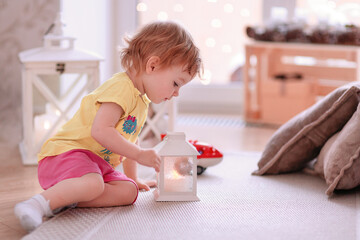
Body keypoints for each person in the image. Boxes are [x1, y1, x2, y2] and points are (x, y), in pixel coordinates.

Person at [14, 21, 202, 232]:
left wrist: (134, 178)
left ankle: (67, 197)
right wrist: (140, 155)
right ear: (152, 65)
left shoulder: (141, 100)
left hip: (94, 165)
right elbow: (100, 131)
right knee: (94, 184)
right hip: (65, 154)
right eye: (176, 83)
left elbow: (130, 139)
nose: (176, 93)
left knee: (129, 192)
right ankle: (37, 204)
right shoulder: (121, 87)